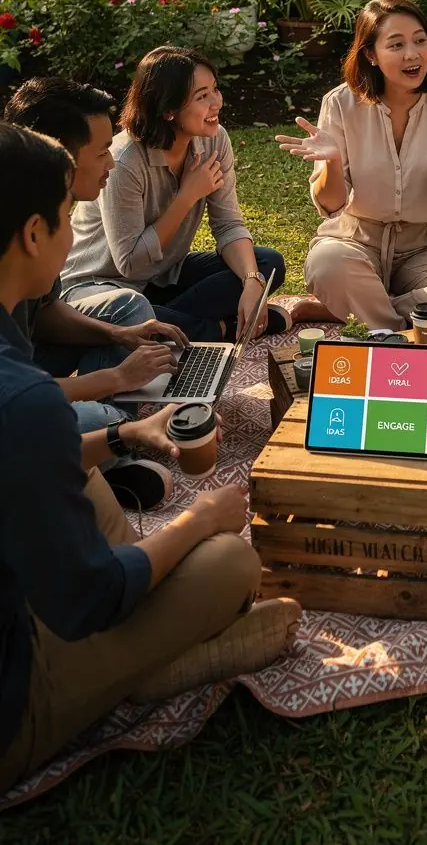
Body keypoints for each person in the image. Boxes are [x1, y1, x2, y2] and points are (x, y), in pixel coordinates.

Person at [0, 122, 300, 795]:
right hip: (15, 696)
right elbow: (93, 599)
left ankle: (137, 651)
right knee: (232, 561)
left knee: (83, 468)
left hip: (25, 590)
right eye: (65, 217)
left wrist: (123, 438)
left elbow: (23, 461)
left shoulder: (18, 377)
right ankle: (151, 666)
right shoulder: (25, 399)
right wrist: (200, 520)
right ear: (33, 234)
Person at [4, 77, 189, 508]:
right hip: (17, 402)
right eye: (103, 151)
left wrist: (116, 335)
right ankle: (108, 449)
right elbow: (16, 395)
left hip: (27, 374)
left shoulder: (35, 220)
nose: (112, 163)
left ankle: (103, 451)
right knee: (84, 418)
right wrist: (115, 379)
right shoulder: (29, 233)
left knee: (127, 308)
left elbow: (44, 312)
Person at [276, 0, 427, 332]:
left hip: (425, 247)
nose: (412, 54)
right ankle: (402, 321)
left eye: (420, 41)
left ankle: (359, 311)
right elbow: (331, 205)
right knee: (327, 264)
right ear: (370, 54)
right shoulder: (340, 104)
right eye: (397, 44)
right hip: (355, 242)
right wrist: (332, 163)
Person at [62, 46, 289, 343]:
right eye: (202, 96)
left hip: (163, 277)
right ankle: (218, 329)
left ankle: (166, 324)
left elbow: (228, 225)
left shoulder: (214, 141)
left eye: (215, 89)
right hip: (102, 287)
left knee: (268, 263)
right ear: (168, 109)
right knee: (132, 310)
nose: (216, 102)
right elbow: (130, 264)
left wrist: (251, 281)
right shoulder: (123, 161)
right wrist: (187, 196)